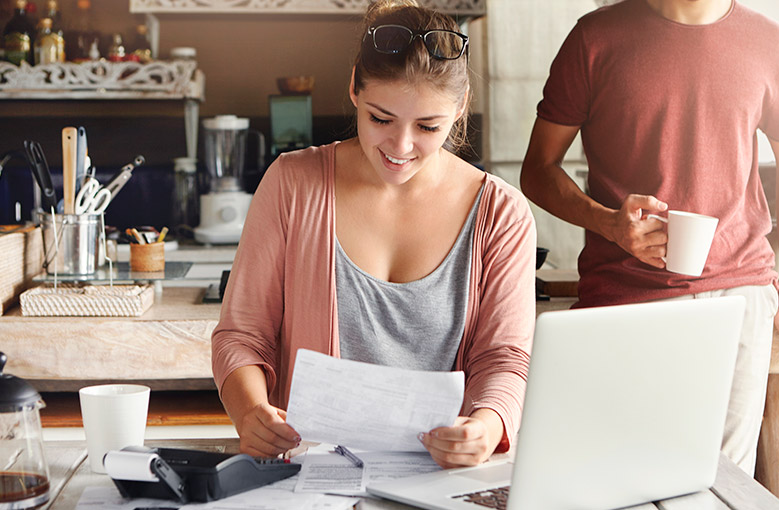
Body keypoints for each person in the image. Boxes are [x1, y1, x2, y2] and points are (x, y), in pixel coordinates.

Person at [211, 0, 536, 469]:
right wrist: (250, 411)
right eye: (381, 119)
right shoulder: (292, 184)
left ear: (461, 107)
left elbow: (503, 358)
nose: (400, 148)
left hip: (442, 482)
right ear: (354, 92)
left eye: (428, 126)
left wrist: (487, 427)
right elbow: (242, 336)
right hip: (308, 476)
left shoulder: (501, 214)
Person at [520, 0, 779, 476]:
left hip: (739, 293)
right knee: (620, 480)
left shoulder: (770, 43)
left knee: (720, 486)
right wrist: (610, 222)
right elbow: (537, 170)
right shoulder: (594, 39)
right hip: (622, 297)